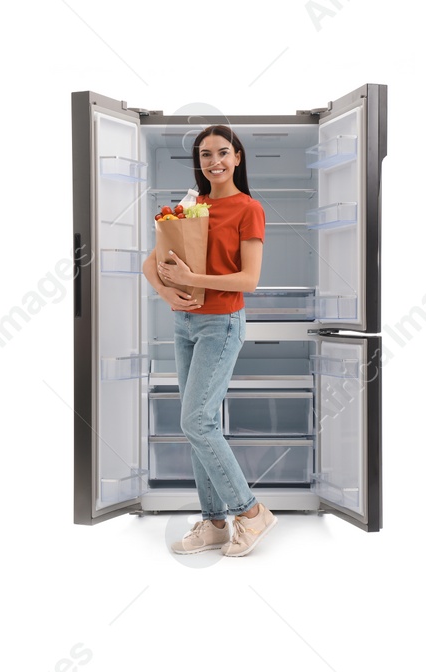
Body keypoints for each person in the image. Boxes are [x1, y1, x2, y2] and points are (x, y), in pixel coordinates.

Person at [152, 125, 275, 557]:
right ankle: (214, 523)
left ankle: (251, 512)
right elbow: (151, 263)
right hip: (184, 324)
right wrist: (171, 293)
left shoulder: (249, 209)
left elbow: (250, 279)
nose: (214, 161)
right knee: (197, 425)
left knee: (197, 421)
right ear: (199, 163)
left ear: (238, 157)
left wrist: (191, 279)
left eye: (223, 152)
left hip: (221, 324)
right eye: (205, 155)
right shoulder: (192, 206)